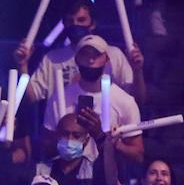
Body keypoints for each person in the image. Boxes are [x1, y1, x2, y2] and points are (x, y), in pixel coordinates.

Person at [18, 0, 146, 106]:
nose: (75, 25)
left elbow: (137, 99)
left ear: (93, 23)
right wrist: (23, 65)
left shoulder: (113, 55)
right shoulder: (53, 58)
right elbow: (30, 97)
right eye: (70, 21)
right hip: (65, 131)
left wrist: (137, 71)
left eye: (81, 20)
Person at [42, 36, 143, 165]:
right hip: (66, 177)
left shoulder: (125, 101)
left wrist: (105, 138)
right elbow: (46, 146)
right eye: (85, 54)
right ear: (76, 60)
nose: (90, 60)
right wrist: (66, 141)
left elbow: (138, 155)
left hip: (108, 179)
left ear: (107, 60)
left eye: (96, 55)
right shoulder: (59, 98)